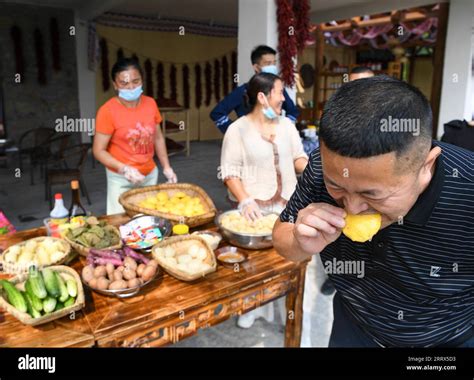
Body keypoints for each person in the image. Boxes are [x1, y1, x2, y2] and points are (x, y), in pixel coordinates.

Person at [273, 75, 474, 347]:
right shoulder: (323, 166)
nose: (352, 207)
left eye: (372, 194)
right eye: (337, 187)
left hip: (443, 340)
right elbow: (282, 235)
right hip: (353, 325)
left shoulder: (467, 187)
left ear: (426, 165)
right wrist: (299, 240)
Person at [221, 72, 308, 329]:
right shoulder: (237, 130)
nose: (284, 98)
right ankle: (253, 308)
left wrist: (316, 168)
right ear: (262, 97)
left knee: (288, 261)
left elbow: (297, 159)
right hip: (256, 209)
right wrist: (245, 200)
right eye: (280, 92)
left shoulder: (287, 126)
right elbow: (230, 172)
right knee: (256, 265)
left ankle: (286, 310)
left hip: (288, 206)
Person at [93, 58, 178, 215]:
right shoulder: (107, 111)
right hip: (120, 178)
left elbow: (158, 138)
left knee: (148, 222)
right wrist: (124, 169)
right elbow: (98, 150)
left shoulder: (150, 104)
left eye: (135, 81)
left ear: (142, 81)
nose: (131, 87)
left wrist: (166, 167)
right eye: (124, 83)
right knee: (121, 222)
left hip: (149, 175)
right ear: (115, 85)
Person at [320, 65, 374, 297]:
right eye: (352, 87)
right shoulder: (333, 123)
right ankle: (336, 277)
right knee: (340, 238)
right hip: (342, 194)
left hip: (374, 202)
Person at [210, 45, 299, 134]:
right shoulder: (243, 91)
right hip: (249, 143)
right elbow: (217, 113)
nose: (273, 66)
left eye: (274, 63)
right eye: (268, 63)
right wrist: (235, 132)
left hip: (273, 140)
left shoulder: (278, 90)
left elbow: (293, 111)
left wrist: (284, 129)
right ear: (256, 67)